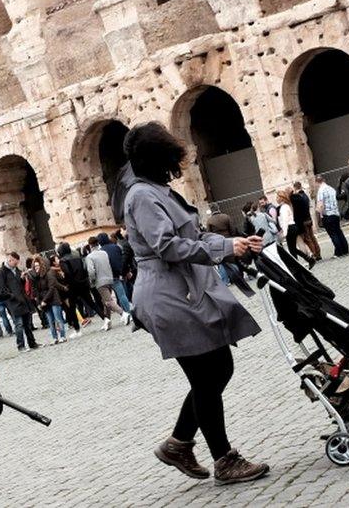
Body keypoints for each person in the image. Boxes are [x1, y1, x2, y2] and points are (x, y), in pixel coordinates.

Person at [111, 122, 269, 485]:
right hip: (168, 297)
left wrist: (233, 244)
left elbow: (191, 236)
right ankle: (224, 459)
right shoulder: (142, 196)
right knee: (206, 376)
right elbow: (167, 247)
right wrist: (226, 248)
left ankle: (179, 443)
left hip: (181, 292)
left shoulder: (156, 191)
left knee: (217, 370)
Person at [0, 252, 41, 351]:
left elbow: (21, 285)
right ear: (10, 260)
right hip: (13, 302)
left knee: (27, 324)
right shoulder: (1, 272)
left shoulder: (16, 270)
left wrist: (22, 279)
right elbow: (1, 290)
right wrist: (12, 296)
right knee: (19, 324)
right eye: (15, 263)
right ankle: (21, 346)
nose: (16, 265)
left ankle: (32, 343)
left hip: (23, 300)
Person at [57, 242, 103, 330]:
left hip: (73, 286)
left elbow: (67, 273)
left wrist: (66, 282)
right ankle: (105, 318)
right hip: (83, 283)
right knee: (91, 303)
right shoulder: (77, 256)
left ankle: (77, 329)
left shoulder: (63, 260)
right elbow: (84, 268)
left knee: (72, 307)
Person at [85, 237, 127, 330]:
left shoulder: (90, 257)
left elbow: (91, 271)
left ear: (90, 245)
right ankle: (107, 320)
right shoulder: (104, 253)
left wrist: (92, 281)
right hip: (109, 278)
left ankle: (123, 313)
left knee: (108, 301)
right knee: (105, 301)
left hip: (100, 282)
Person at [31, 256, 68, 344]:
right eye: (35, 266)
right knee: (50, 321)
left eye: (37, 266)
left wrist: (44, 301)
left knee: (58, 318)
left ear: (42, 265)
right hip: (44, 301)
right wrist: (39, 303)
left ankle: (62, 336)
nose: (36, 268)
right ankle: (55, 338)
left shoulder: (49, 273)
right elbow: (36, 292)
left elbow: (52, 288)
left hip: (53, 299)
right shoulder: (36, 278)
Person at [276, 188, 315, 268]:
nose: (276, 199)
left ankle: (297, 266)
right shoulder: (286, 206)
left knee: (292, 249)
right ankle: (308, 259)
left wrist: (285, 232)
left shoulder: (283, 207)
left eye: (277, 197)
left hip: (290, 228)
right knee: (293, 249)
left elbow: (285, 220)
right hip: (292, 227)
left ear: (281, 198)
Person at [98, 232, 132, 313]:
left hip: (108, 276)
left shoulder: (100, 251)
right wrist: (127, 271)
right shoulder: (116, 247)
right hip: (119, 273)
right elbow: (122, 259)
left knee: (110, 298)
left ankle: (125, 312)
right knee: (122, 294)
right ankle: (127, 311)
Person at [314, 175, 348, 256]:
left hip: (327, 215)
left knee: (333, 234)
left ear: (316, 182)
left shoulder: (321, 191)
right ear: (324, 180)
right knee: (339, 232)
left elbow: (320, 205)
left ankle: (339, 252)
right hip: (335, 213)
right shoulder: (331, 189)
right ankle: (345, 249)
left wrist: (318, 215)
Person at [290, 181, 322, 258]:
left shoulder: (297, 197)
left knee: (308, 239)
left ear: (295, 187)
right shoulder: (305, 195)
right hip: (308, 218)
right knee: (312, 237)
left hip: (303, 220)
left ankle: (314, 254)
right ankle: (318, 253)